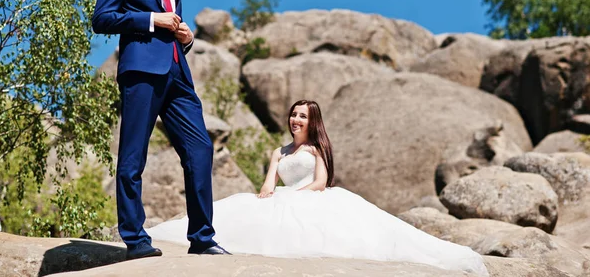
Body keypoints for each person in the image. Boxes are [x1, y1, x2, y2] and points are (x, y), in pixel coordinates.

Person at [147, 100, 489, 275]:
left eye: (303, 116)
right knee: (247, 212)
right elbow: (269, 181)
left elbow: (322, 181)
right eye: (294, 114)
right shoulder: (278, 151)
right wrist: (269, 191)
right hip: (284, 195)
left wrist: (294, 197)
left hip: (311, 195)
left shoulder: (315, 149)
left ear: (312, 123)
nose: (296, 119)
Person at [92, 0, 229, 259]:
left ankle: (202, 239)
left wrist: (185, 37)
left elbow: (174, 30)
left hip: (178, 76)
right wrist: (154, 19)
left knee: (200, 149)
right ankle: (135, 240)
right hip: (141, 72)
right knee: (133, 156)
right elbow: (103, 19)